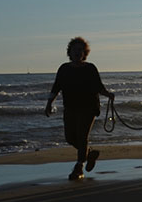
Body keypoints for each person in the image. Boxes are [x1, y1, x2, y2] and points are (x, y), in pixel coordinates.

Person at [45, 37, 115, 180]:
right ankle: (89, 154)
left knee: (82, 137)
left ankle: (79, 167)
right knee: (70, 137)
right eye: (74, 50)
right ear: (69, 52)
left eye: (80, 50)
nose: (77, 53)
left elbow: (98, 86)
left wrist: (108, 95)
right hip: (70, 108)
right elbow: (56, 87)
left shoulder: (90, 68)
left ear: (84, 53)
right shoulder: (64, 69)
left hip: (89, 108)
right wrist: (49, 103)